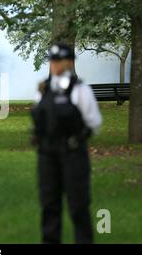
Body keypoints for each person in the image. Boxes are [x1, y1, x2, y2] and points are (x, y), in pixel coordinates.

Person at [31, 44, 102, 244]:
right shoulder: (42, 90)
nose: (55, 65)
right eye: (52, 61)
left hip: (72, 153)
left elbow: (94, 123)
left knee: (78, 205)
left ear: (69, 62)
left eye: (59, 60)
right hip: (47, 155)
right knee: (49, 204)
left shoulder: (80, 90)